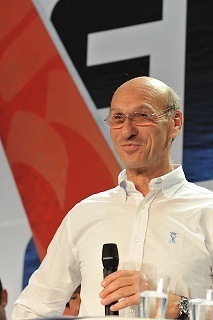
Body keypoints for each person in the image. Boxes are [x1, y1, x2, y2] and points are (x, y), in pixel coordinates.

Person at [12, 76, 213, 319]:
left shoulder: (207, 210)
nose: (127, 131)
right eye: (118, 118)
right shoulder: (85, 213)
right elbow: (31, 308)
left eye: (142, 116)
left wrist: (176, 307)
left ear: (175, 122)